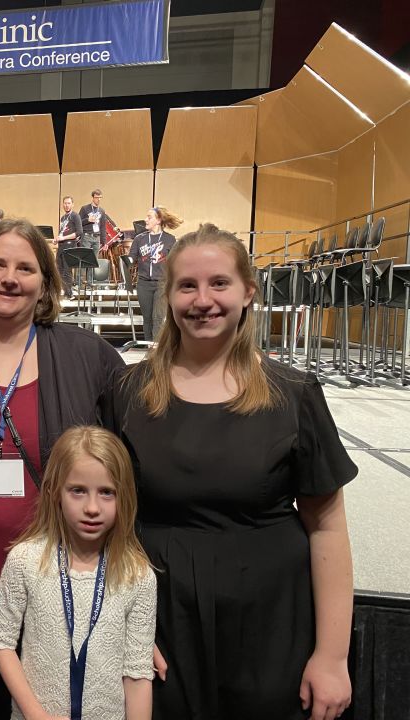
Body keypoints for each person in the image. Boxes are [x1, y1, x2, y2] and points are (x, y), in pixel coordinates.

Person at [107, 223, 356, 720]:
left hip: (270, 623)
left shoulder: (294, 394)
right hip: (160, 620)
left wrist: (332, 657)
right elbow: (101, 522)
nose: (203, 300)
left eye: (219, 283)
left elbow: (327, 528)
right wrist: (121, 625)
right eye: (187, 286)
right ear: (168, 295)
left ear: (248, 292)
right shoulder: (126, 391)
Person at [0, 217, 125, 720]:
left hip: (55, 603)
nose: (9, 278)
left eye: (26, 268)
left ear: (46, 283)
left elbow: (128, 467)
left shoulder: (87, 357)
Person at [0, 425, 156, 720]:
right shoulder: (25, 560)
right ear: (55, 492)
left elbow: (138, 673)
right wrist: (35, 714)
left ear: (125, 497)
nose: (92, 507)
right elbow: (1, 641)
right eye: (78, 491)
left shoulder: (138, 576)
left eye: (107, 493)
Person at [127, 206, 182, 341]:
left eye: (149, 217)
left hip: (162, 284)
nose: (145, 220)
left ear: (158, 220)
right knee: (147, 319)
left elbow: (175, 262)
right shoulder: (139, 239)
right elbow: (132, 257)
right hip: (143, 284)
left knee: (158, 318)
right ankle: (148, 347)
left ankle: (156, 348)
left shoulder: (169, 239)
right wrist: (127, 261)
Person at [56, 195, 83, 299]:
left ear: (72, 204)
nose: (66, 205)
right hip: (61, 245)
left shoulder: (75, 216)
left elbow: (79, 232)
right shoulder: (63, 218)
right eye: (65, 203)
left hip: (70, 245)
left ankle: (69, 293)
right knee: (60, 269)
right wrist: (57, 239)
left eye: (68, 203)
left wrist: (63, 238)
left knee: (67, 270)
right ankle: (66, 291)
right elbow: (63, 231)